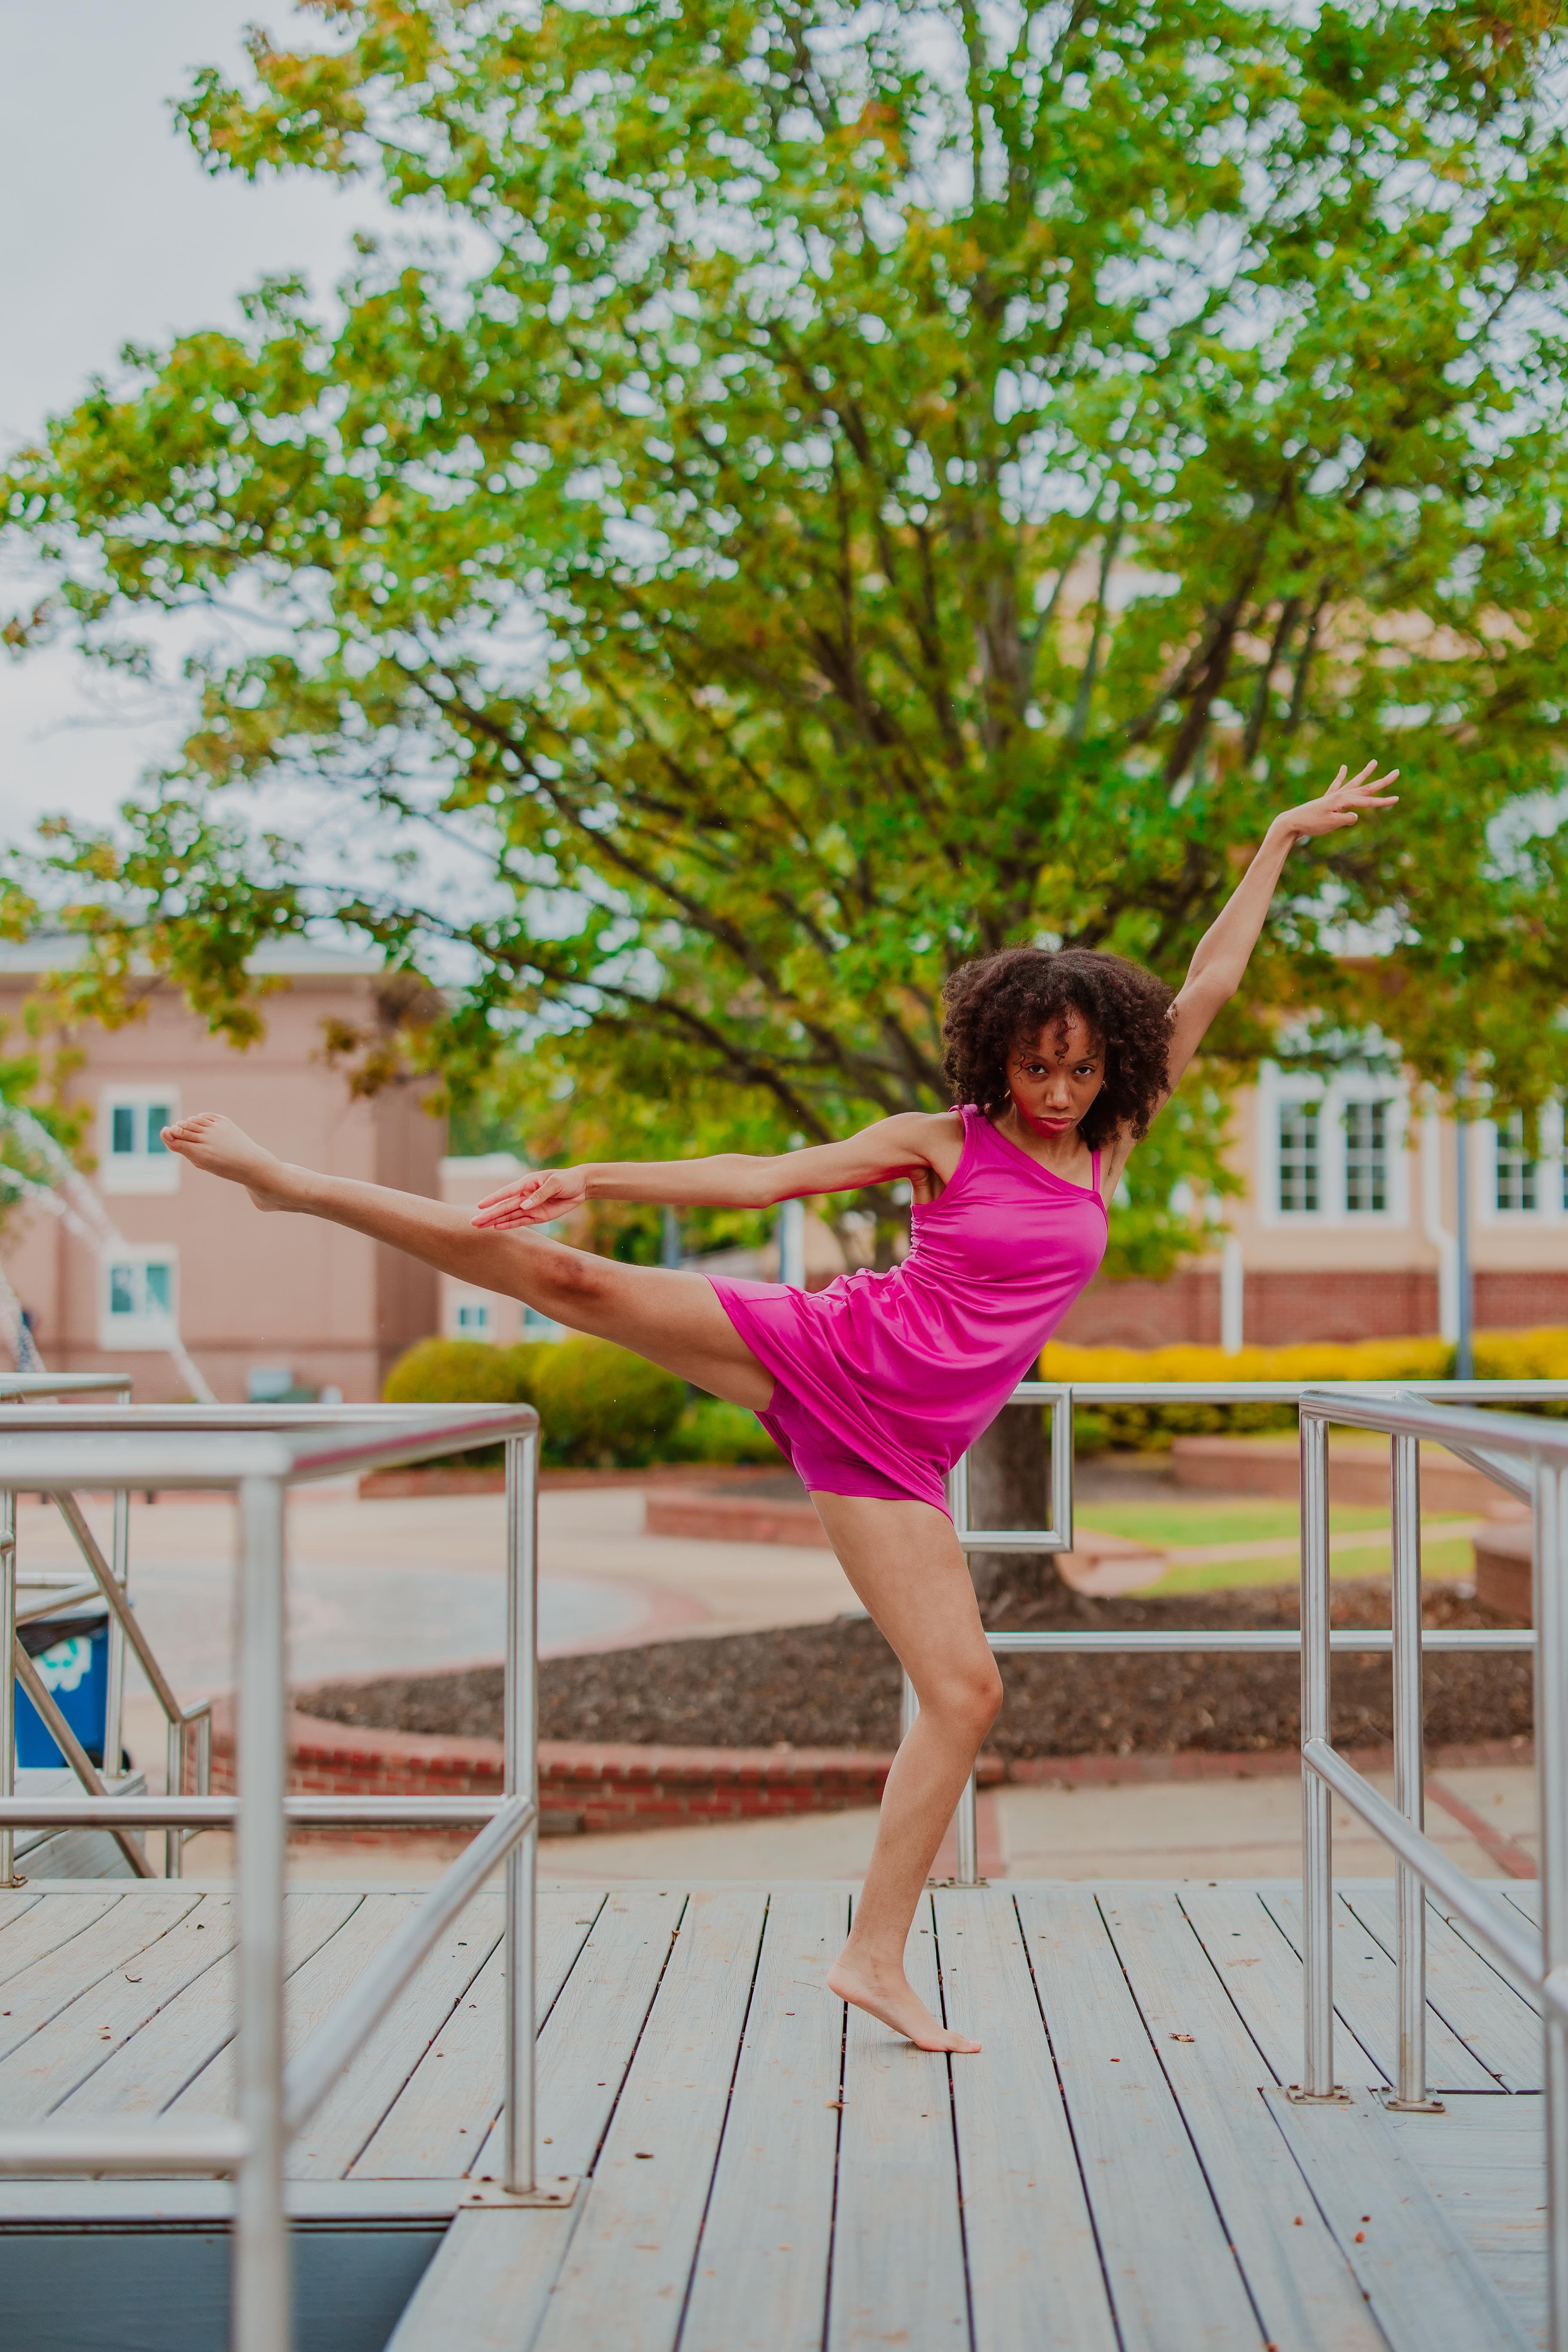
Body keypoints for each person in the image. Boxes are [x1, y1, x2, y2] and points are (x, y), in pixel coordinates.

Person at [162, 760, 1397, 2053]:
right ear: (1001, 1056)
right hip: (828, 1349)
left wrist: (1274, 840)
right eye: (1040, 1066)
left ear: (1110, 1067)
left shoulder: (1110, 1145)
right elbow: (764, 1178)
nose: (1062, 1091)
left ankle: (873, 1956)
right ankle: (291, 1184)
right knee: (568, 1278)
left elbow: (1206, 985)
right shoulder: (944, 1138)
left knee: (966, 1694)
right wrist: (594, 1170)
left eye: (1083, 1070)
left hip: (905, 1451)